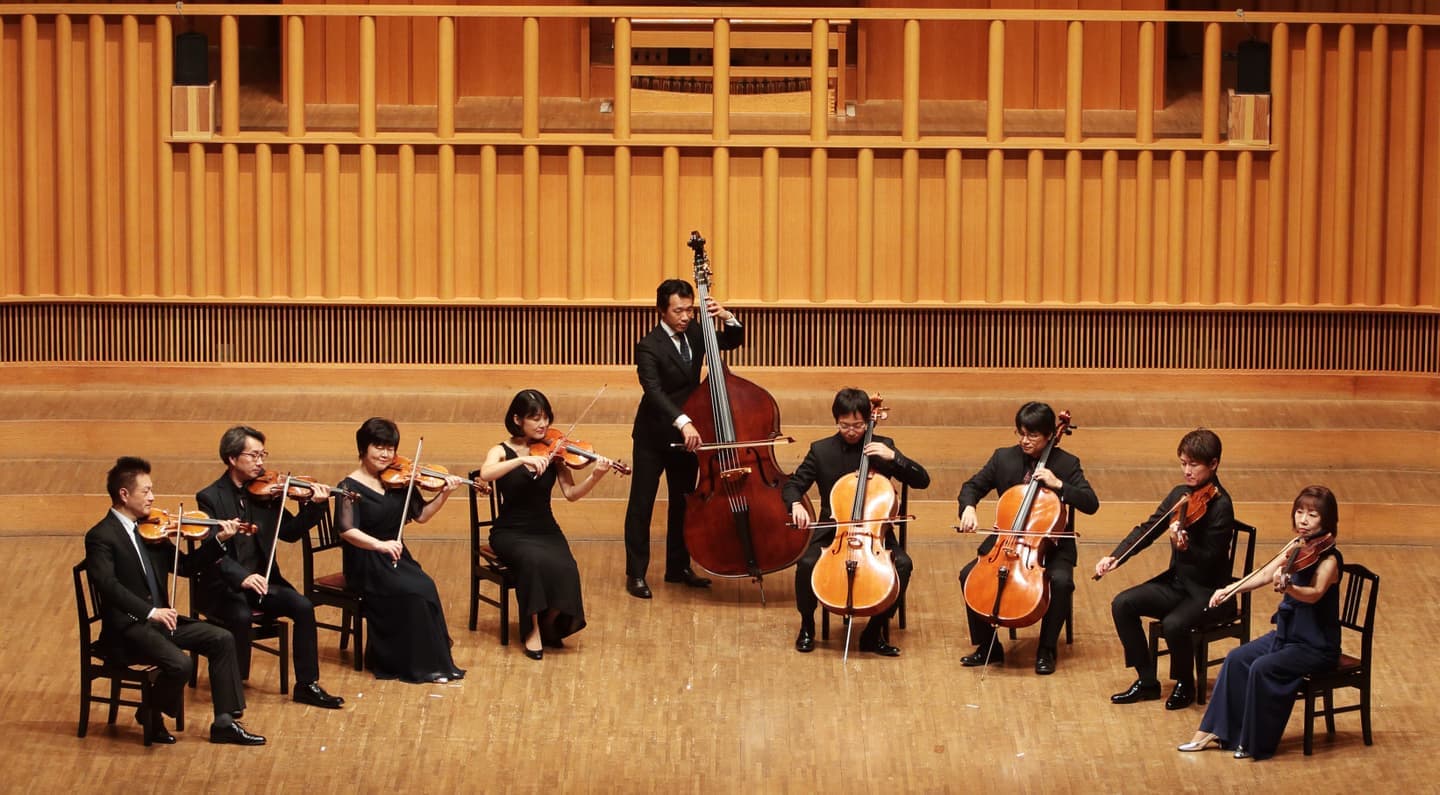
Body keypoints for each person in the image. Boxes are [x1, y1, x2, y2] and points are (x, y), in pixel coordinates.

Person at [83, 456, 265, 746]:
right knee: (180, 664)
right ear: (124, 494)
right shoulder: (101, 536)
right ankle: (150, 712)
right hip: (127, 629)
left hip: (159, 623)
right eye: (146, 491)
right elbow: (108, 585)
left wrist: (219, 541)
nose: (152, 498)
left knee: (221, 638)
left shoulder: (151, 530)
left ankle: (224, 723)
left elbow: (187, 567)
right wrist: (150, 611)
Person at [1178, 485, 1343, 761]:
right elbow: (1266, 573)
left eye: (1312, 515)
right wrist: (1231, 589)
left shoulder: (1330, 559)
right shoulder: (1297, 546)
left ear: (1326, 519)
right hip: (1287, 635)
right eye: (1299, 512)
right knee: (1236, 659)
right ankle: (1211, 731)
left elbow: (1313, 594)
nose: (1303, 520)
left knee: (1262, 667)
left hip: (1315, 645)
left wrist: (1289, 588)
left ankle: (1254, 742)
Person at [194, 426, 344, 709]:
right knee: (239, 615)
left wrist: (315, 506)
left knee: (303, 606)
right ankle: (232, 690)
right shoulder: (210, 497)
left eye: (263, 455)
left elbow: (290, 533)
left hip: (263, 584)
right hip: (224, 588)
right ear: (232, 459)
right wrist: (243, 577)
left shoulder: (266, 494)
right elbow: (211, 553)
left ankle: (307, 685)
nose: (261, 462)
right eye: (253, 456)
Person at [1095, 428, 1235, 710]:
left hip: (1209, 593)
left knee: (1173, 624)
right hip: (1179, 585)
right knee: (1123, 604)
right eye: (1183, 463)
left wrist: (1186, 547)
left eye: (1194, 464)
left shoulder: (1221, 505)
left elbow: (1211, 559)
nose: (1187, 471)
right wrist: (1116, 557)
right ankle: (1147, 681)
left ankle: (1185, 683)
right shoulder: (1180, 495)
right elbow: (1148, 530)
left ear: (1214, 464)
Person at [784, 388, 930, 657]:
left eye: (858, 425)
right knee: (805, 565)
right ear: (836, 420)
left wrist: (894, 458)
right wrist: (795, 504)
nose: (851, 431)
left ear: (867, 421)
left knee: (903, 565)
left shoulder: (883, 447)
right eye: (844, 425)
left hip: (875, 535)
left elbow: (922, 480)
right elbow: (793, 485)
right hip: (834, 533)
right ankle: (807, 626)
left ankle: (874, 632)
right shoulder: (821, 450)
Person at [956, 401, 1099, 675]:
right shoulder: (1003, 458)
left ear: (1050, 435)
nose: (1024, 440)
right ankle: (988, 647)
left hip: (1051, 548)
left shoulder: (1066, 463)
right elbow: (971, 486)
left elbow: (1091, 503)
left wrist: (1059, 485)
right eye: (1021, 433)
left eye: (1032, 435)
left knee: (1061, 582)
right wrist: (968, 508)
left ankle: (1046, 649)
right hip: (1006, 542)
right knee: (968, 575)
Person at [622, 278, 743, 598]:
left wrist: (727, 317)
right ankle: (636, 574)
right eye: (679, 311)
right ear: (661, 311)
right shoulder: (648, 346)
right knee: (641, 505)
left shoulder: (696, 332)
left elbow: (731, 342)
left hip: (687, 437)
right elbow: (654, 391)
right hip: (653, 436)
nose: (686, 316)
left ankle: (678, 568)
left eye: (690, 310)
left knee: (683, 503)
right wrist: (683, 421)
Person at [335, 417, 465, 683]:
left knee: (425, 586)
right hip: (366, 559)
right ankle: (407, 664)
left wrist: (444, 493)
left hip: (395, 554)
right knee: (411, 592)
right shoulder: (349, 487)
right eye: (379, 447)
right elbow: (346, 530)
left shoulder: (400, 481)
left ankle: (433, 662)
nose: (386, 454)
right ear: (363, 448)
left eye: (390, 448)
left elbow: (422, 516)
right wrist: (379, 545)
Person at [480, 390, 608, 660]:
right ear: (518, 419)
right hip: (510, 532)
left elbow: (571, 494)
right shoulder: (501, 451)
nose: (543, 424)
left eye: (546, 418)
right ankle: (533, 630)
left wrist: (595, 476)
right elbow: (485, 473)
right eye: (535, 418)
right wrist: (521, 459)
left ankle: (549, 623)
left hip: (545, 529)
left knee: (567, 567)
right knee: (533, 562)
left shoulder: (555, 451)